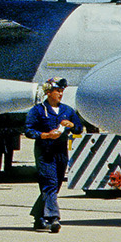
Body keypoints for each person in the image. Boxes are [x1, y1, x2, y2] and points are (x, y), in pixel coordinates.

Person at [25, 78, 80, 232]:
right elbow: (29, 130)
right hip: (45, 152)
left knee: (54, 185)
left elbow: (79, 129)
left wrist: (72, 125)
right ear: (48, 92)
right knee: (49, 182)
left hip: (61, 152)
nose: (61, 94)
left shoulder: (67, 110)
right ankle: (52, 218)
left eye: (62, 91)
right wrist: (45, 135)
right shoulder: (37, 111)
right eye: (58, 91)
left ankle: (39, 217)